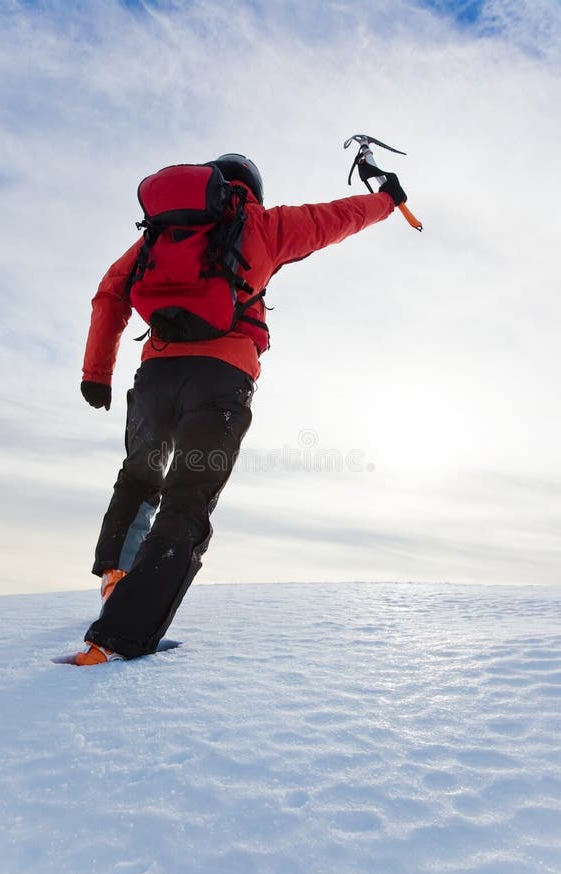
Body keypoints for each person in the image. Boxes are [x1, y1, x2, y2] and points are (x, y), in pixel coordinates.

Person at [75, 153, 407, 664]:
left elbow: (109, 294)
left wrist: (96, 374)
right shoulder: (264, 224)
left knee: (139, 475)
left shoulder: (158, 235)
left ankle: (116, 578)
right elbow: (337, 217)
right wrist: (387, 199)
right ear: (251, 188)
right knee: (188, 503)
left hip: (156, 374)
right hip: (222, 380)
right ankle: (116, 639)